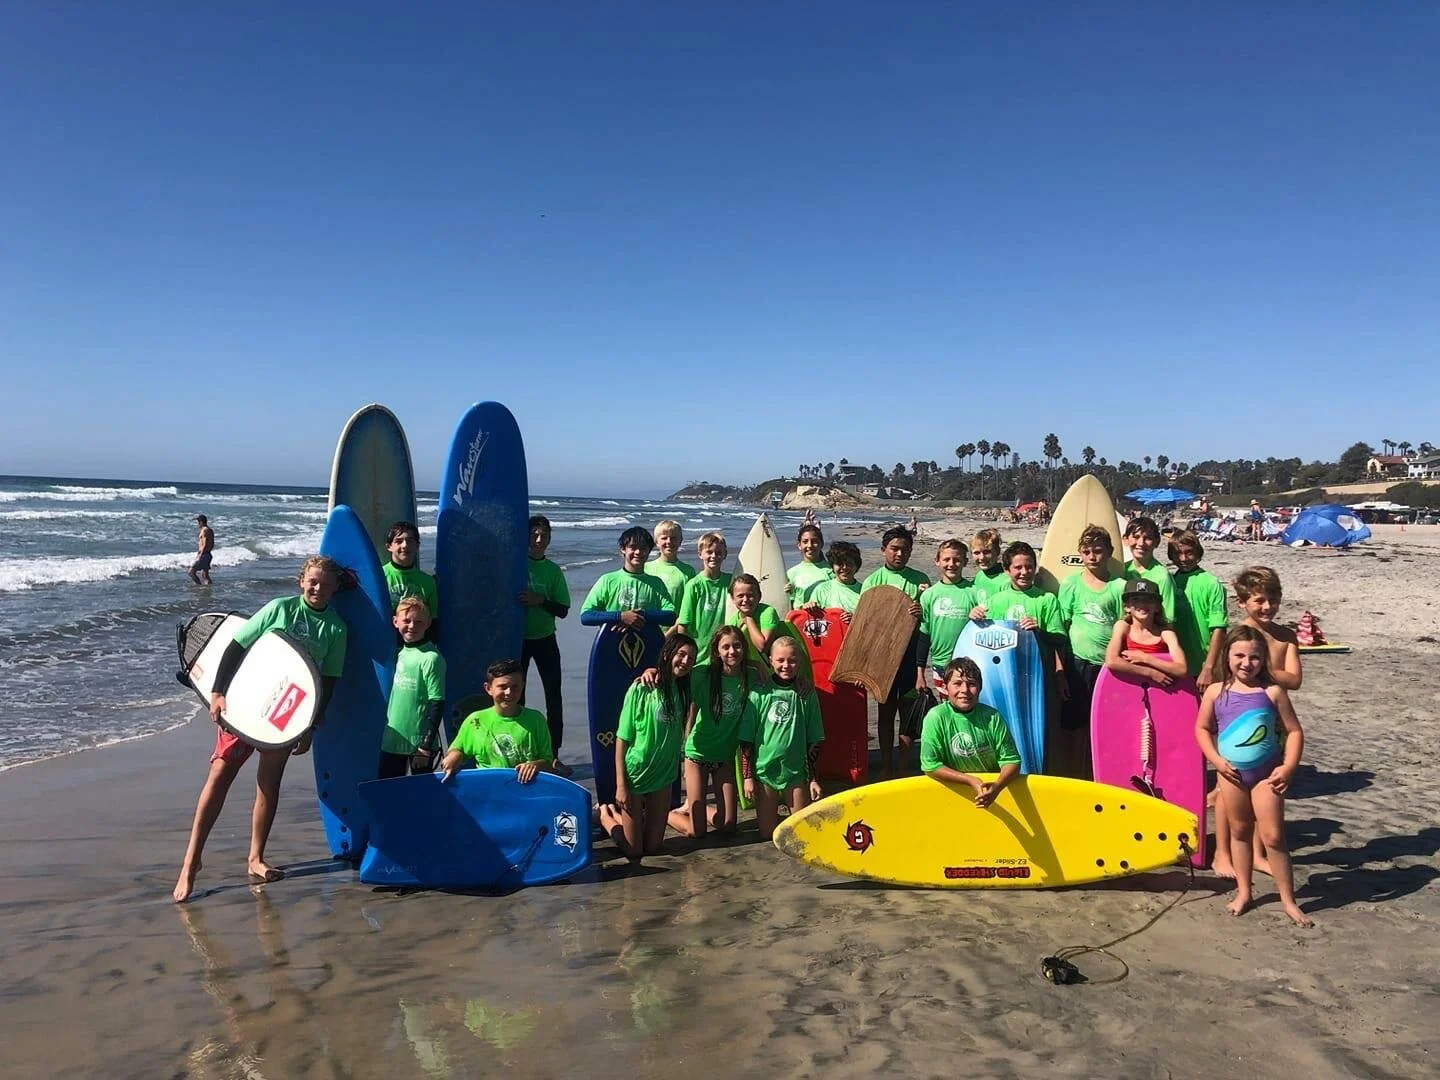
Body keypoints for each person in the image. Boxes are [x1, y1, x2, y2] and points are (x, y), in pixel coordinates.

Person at [173, 556, 348, 902]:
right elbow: (237, 645)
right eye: (313, 581)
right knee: (220, 775)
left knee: (269, 784)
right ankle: (191, 861)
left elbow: (327, 681)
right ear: (301, 581)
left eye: (326, 584)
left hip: (285, 715)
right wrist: (219, 692)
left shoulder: (336, 629)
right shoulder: (279, 609)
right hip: (243, 703)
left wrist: (309, 725)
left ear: (335, 588)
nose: (318, 589)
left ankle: (255, 857)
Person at [1195, 626, 1311, 926]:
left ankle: (1288, 900)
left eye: (1255, 657)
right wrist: (1217, 762)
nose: (1247, 663)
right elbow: (1202, 729)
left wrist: (1288, 767)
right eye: (1240, 655)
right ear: (1227, 656)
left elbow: (1294, 731)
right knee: (1240, 832)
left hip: (1267, 777)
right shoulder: (1215, 691)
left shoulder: (1272, 692)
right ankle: (1244, 892)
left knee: (1273, 836)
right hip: (1231, 776)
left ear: (1264, 660)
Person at [1220, 565, 1302, 877]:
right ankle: (1224, 854)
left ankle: (1255, 853)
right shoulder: (1239, 637)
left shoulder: (1285, 636)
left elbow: (1294, 679)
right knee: (1230, 790)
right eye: (1259, 600)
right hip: (1237, 724)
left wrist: (1263, 675)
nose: (1267, 606)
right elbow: (1224, 679)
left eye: (1272, 599)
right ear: (1243, 602)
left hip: (1273, 721)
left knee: (1264, 785)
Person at [598, 634, 696, 861]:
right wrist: (621, 785)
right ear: (667, 654)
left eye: (691, 658)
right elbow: (622, 739)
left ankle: (630, 819)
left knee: (653, 848)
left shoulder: (684, 689)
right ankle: (606, 814)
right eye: (680, 654)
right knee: (634, 851)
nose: (685, 661)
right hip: (636, 774)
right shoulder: (641, 689)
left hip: (663, 774)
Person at [667, 625, 757, 840]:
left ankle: (693, 807)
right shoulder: (703, 674)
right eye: (725, 647)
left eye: (737, 646)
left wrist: (801, 683)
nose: (732, 651)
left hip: (724, 758)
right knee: (696, 832)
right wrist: (650, 671)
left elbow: (781, 681)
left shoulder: (751, 677)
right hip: (697, 755)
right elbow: (673, 673)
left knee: (728, 826)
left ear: (744, 648)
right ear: (716, 651)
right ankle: (667, 814)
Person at [1056, 525, 1125, 778]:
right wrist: (1059, 669)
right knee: (1075, 726)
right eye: (1087, 551)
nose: (1092, 556)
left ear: (1109, 552)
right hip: (1076, 664)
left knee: (1106, 725)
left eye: (1098, 550)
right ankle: (1075, 775)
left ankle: (1102, 774)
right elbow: (1060, 629)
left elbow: (1123, 627)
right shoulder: (1071, 584)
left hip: (1108, 667)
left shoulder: (1119, 586)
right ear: (1080, 554)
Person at [739, 635, 824, 841]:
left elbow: (814, 739)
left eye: (792, 660)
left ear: (800, 662)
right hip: (764, 772)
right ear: (770, 660)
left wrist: (813, 779)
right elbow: (746, 741)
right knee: (768, 834)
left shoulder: (806, 694)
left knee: (801, 834)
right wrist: (748, 777)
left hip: (795, 773)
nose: (786, 665)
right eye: (780, 660)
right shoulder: (758, 694)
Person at [861, 526, 930, 778]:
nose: (900, 553)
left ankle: (903, 765)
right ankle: (888, 765)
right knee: (885, 712)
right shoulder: (872, 581)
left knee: (908, 712)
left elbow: (928, 621)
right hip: (883, 657)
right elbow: (865, 624)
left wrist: (921, 611)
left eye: (905, 549)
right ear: (883, 551)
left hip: (910, 654)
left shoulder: (920, 579)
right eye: (895, 549)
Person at [972, 541, 1068, 716]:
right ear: (1007, 570)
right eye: (1018, 568)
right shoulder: (996, 600)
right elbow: (981, 640)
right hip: (1003, 675)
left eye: (1029, 567)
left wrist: (1039, 632)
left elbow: (1060, 638)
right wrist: (974, 618)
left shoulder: (1047, 599)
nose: (1024, 572)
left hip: (1037, 676)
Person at [920, 658, 1021, 808]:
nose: (965, 690)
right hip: (951, 796)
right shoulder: (936, 717)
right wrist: (969, 780)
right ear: (945, 687)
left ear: (980, 688)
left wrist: (997, 786)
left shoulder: (992, 717)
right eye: (957, 683)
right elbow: (930, 765)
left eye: (972, 684)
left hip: (991, 795)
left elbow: (1012, 761)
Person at [441, 658, 559, 782]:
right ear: (488, 688)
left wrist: (535, 765)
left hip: (525, 789)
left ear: (523, 686)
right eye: (502, 687)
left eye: (515, 687)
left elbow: (547, 762)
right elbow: (458, 749)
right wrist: (454, 757)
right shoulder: (475, 721)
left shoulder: (535, 720)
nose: (509, 692)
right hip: (488, 789)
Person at [519, 515, 571, 763]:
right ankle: (521, 750)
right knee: (516, 695)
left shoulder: (552, 571)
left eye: (544, 535)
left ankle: (554, 754)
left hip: (545, 639)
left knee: (553, 696)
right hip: (517, 640)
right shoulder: (515, 564)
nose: (539, 540)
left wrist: (540, 600)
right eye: (534, 534)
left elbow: (563, 609)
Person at [378, 597, 446, 779]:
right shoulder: (396, 653)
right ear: (395, 621)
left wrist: (425, 745)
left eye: (419, 622)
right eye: (406, 621)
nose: (412, 626)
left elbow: (437, 702)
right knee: (387, 792)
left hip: (419, 745)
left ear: (428, 624)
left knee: (420, 799)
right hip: (392, 741)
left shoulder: (431, 658)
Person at [579, 527, 676, 629]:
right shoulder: (607, 580)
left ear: (649, 551)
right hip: (612, 642)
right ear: (623, 549)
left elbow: (671, 617)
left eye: (643, 548)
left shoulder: (656, 583)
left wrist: (640, 615)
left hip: (647, 643)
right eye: (633, 547)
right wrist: (620, 616)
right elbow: (586, 616)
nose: (638, 552)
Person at [916, 539, 979, 691]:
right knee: (946, 707)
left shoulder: (975, 592)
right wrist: (920, 674)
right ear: (937, 561)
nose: (951, 564)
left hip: (970, 663)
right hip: (940, 664)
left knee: (966, 704)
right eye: (946, 559)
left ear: (965, 562)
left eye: (957, 560)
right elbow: (924, 636)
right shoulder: (929, 595)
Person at [1169, 530, 1229, 688]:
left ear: (1198, 553)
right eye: (1178, 553)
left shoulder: (1211, 583)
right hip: (1177, 663)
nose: (1183, 558)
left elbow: (1219, 628)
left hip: (1204, 664)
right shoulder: (1170, 582)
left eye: (1189, 553)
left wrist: (1209, 668)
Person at [1103, 578, 1188, 686]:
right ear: (1127, 607)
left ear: (1157, 607)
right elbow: (1111, 661)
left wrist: (1145, 658)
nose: (1142, 604)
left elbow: (1182, 669)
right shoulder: (1123, 627)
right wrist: (1150, 673)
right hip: (1127, 690)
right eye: (1136, 599)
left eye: (1149, 600)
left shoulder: (1166, 634)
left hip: (1161, 691)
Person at [674, 531, 731, 656]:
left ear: (725, 554)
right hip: (699, 653)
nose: (714, 556)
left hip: (725, 652)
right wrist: (684, 653)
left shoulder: (731, 582)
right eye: (709, 552)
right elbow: (683, 625)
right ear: (700, 554)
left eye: (719, 552)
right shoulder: (694, 585)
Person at [1123, 516, 1178, 624]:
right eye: (1136, 537)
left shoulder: (1162, 576)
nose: (1141, 543)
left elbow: (1168, 618)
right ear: (1125, 540)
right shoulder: (1122, 570)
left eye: (1147, 538)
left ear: (1157, 542)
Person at [383, 521, 438, 620]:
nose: (405, 545)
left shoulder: (428, 582)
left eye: (410, 541)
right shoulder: (379, 577)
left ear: (417, 546)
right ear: (389, 546)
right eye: (399, 541)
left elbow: (432, 621)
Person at [728, 572, 783, 665]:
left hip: (771, 668)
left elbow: (762, 647)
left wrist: (748, 620)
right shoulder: (732, 620)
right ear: (733, 598)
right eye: (740, 596)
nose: (745, 600)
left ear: (759, 596)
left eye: (750, 595)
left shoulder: (767, 612)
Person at [801, 540, 863, 618]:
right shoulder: (821, 590)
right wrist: (808, 607)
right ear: (832, 566)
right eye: (839, 564)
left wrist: (854, 619)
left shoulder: (864, 591)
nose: (844, 568)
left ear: (856, 566)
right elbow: (811, 620)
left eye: (849, 564)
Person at [648, 519, 697, 608]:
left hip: (676, 620)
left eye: (673, 538)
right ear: (656, 542)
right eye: (664, 538)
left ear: (680, 541)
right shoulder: (646, 568)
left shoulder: (687, 571)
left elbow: (691, 603)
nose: (669, 541)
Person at [786, 522, 834, 606]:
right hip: (801, 618)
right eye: (805, 541)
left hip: (825, 617)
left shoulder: (831, 570)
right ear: (799, 545)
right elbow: (790, 605)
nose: (810, 545)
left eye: (814, 541)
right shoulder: (792, 573)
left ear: (821, 544)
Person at [967, 528, 1008, 608]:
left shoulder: (1006, 581)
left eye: (987, 552)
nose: (982, 557)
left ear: (997, 551)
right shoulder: (979, 576)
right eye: (977, 553)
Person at [189, 515, 215, 585]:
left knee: (191, 572)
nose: (197, 524)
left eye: (198, 522)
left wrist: (200, 555)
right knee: (205, 574)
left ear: (201, 522)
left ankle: (199, 586)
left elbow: (205, 544)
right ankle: (208, 588)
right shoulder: (210, 530)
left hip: (204, 554)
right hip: (208, 554)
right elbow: (212, 544)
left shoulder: (205, 530)